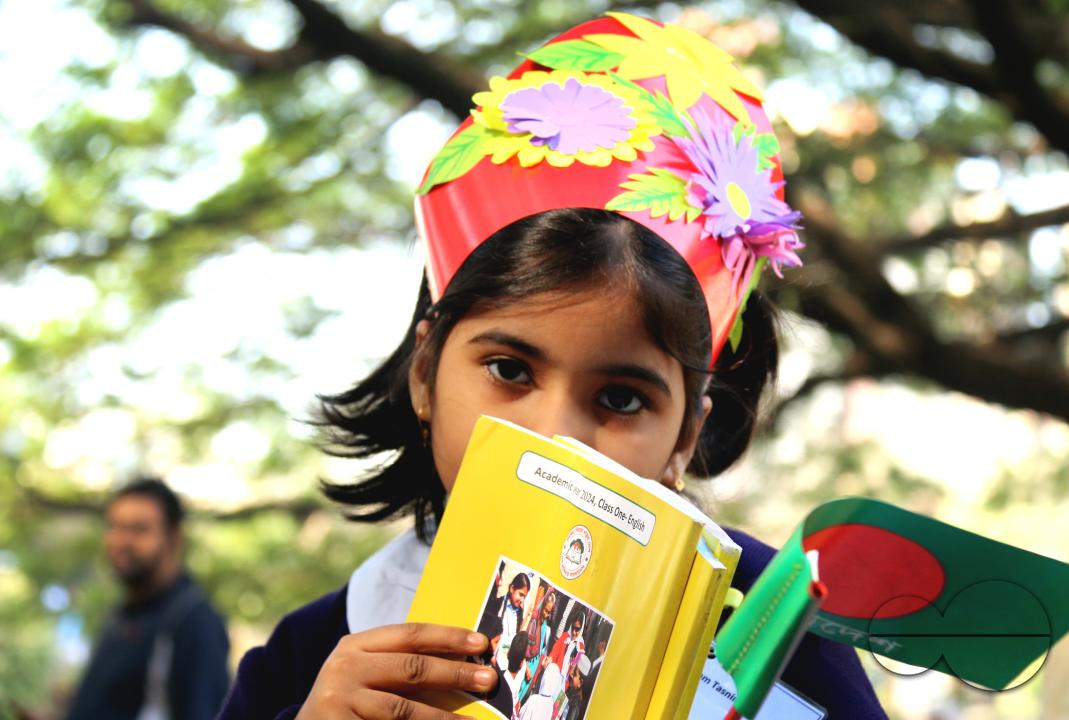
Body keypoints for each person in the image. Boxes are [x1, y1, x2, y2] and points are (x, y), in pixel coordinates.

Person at [217, 12, 887, 720]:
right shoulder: (309, 659)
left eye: (622, 400)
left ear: (685, 437)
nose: (553, 434)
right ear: (424, 374)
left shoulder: (777, 636)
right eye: (509, 370)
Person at [66, 477, 230, 720]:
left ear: (174, 536)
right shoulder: (122, 614)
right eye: (115, 527)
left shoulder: (193, 622)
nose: (122, 541)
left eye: (139, 529)